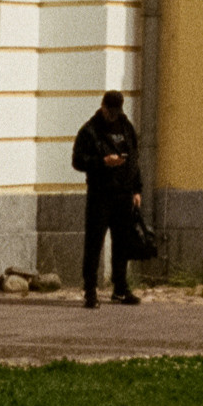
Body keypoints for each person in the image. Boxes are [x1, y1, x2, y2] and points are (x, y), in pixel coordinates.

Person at [70, 89, 141, 310]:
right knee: (94, 243)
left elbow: (135, 160)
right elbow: (78, 161)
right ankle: (90, 290)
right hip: (100, 195)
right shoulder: (90, 131)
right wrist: (103, 162)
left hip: (124, 194)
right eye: (110, 111)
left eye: (117, 111)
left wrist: (137, 190)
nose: (114, 115)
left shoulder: (126, 127)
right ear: (103, 107)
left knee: (122, 243)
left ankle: (120, 288)